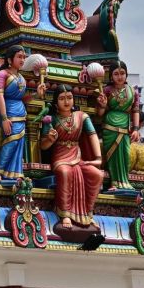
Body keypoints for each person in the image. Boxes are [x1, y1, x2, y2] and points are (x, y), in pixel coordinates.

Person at [41, 84, 104, 229]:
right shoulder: (51, 119)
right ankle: (65, 214)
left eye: (69, 97)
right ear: (56, 102)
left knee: (97, 175)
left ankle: (88, 213)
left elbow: (92, 135)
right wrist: (50, 139)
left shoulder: (81, 116)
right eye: (62, 98)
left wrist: (98, 158)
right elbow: (43, 146)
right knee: (65, 172)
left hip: (77, 157)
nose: (66, 101)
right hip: (60, 157)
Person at [0, 45, 45, 183]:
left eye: (24, 57)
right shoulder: (3, 74)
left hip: (21, 113)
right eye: (19, 57)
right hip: (8, 112)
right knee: (10, 141)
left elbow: (22, 99)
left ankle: (16, 173)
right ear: (10, 59)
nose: (22, 60)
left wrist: (36, 95)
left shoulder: (21, 77)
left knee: (18, 143)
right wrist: (4, 118)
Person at [96, 60, 140, 191]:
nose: (119, 77)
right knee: (112, 155)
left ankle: (125, 182)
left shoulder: (133, 91)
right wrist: (102, 105)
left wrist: (136, 128)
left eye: (122, 73)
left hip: (125, 127)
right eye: (116, 74)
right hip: (110, 127)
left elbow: (135, 111)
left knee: (125, 154)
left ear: (126, 74)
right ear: (111, 76)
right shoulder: (107, 90)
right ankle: (114, 182)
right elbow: (100, 113)